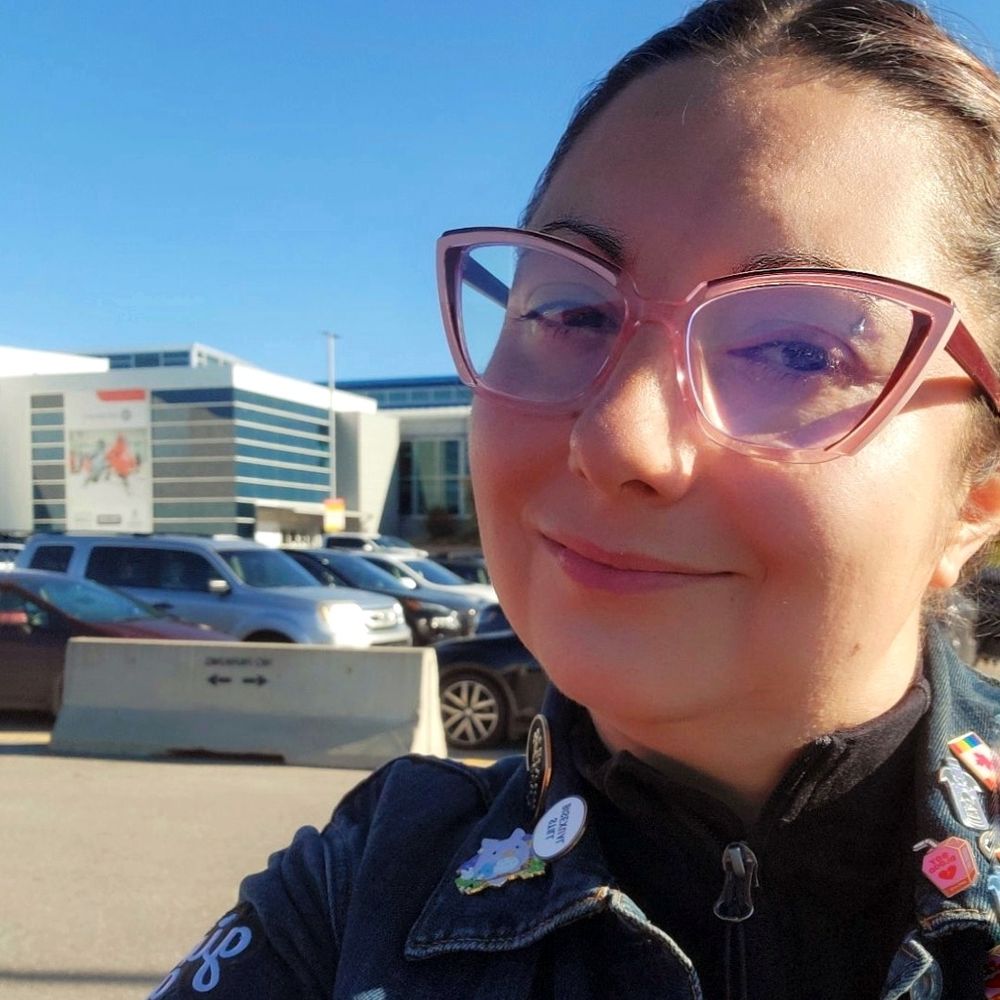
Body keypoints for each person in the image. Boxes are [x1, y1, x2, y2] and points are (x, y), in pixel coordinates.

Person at [149, 1, 1000, 997]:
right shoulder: (358, 897)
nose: (615, 437)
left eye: (797, 348)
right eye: (572, 309)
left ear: (974, 498)